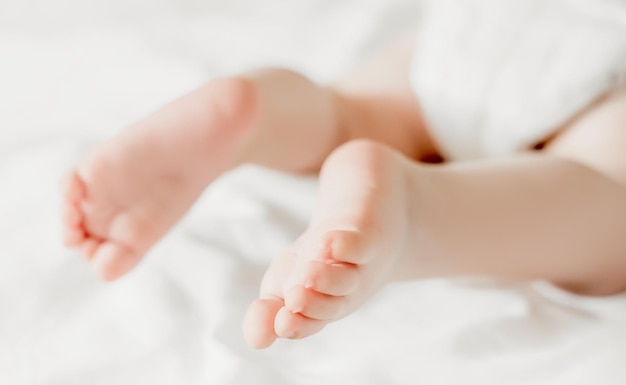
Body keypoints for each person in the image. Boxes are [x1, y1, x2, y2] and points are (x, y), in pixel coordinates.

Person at [60, 0, 626, 349]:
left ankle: (261, 112)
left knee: (367, 110)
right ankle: (419, 212)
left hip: (488, 22)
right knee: (604, 200)